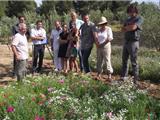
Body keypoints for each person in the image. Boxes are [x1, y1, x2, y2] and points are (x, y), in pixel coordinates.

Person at [120, 4, 143, 84]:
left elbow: (133, 27)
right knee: (124, 60)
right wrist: (128, 27)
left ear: (136, 11)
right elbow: (122, 29)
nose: (131, 12)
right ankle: (123, 77)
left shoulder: (139, 18)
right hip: (126, 42)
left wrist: (128, 27)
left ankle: (136, 80)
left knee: (134, 62)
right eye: (129, 11)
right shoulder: (127, 19)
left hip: (133, 42)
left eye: (132, 11)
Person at [96, 16, 113, 80]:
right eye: (101, 24)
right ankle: (99, 73)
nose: (102, 25)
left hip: (106, 46)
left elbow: (110, 38)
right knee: (99, 60)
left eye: (103, 23)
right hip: (99, 46)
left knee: (107, 60)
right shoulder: (98, 29)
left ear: (105, 23)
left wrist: (102, 44)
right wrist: (97, 43)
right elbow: (96, 37)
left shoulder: (108, 29)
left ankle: (109, 75)